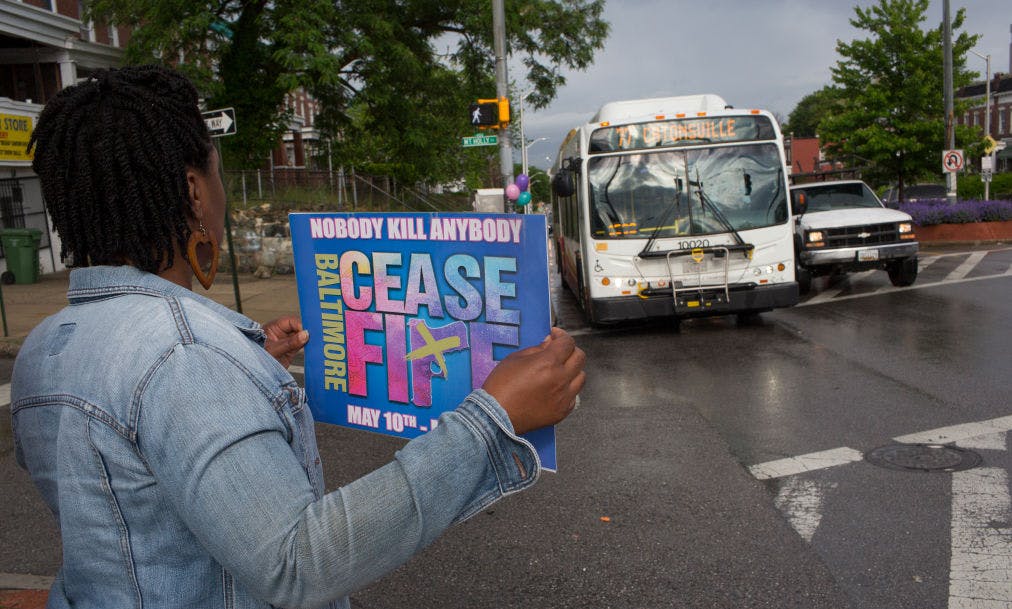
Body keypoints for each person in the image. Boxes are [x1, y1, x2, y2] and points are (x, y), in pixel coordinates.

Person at [11, 65, 585, 609]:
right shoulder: (184, 356)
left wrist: (242, 364)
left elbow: (127, 496)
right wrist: (490, 419)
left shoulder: (45, 343)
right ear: (192, 191)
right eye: (215, 171)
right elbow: (296, 562)